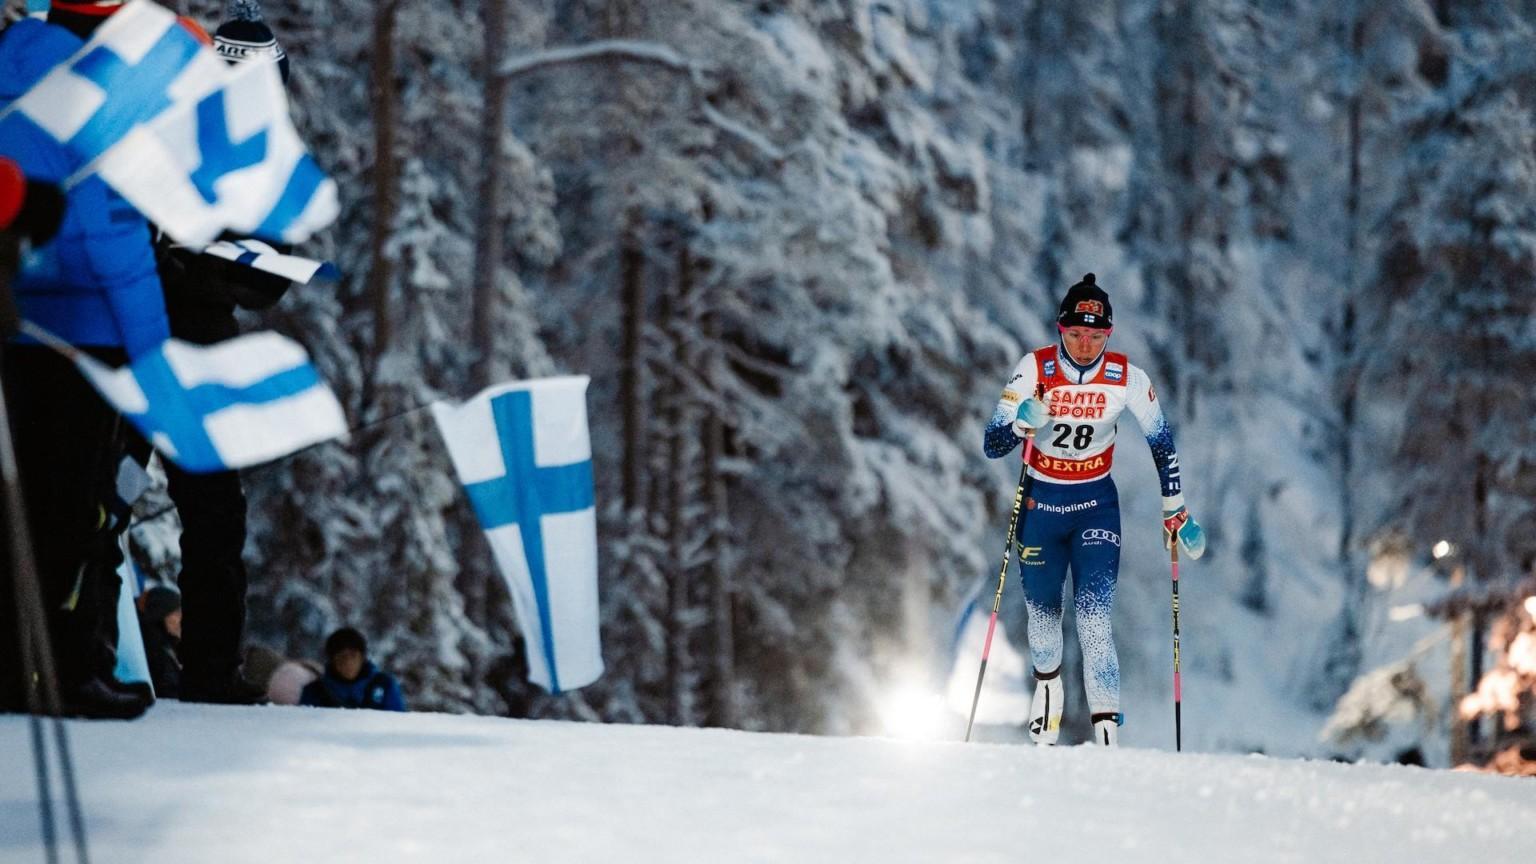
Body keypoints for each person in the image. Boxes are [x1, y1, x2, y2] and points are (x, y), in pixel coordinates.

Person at [114, 1, 294, 705]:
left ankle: (212, 674)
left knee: (216, 520)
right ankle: (84, 655)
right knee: (105, 501)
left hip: (203, 353)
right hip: (136, 339)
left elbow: (271, 277)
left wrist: (224, 269)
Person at [0, 1, 171, 719]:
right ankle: (64, 670)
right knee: (70, 507)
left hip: (30, 313)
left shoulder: (20, 59)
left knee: (43, 502)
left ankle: (33, 668)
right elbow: (99, 222)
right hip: (80, 320)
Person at [982, 273, 1206, 747]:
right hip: (1042, 503)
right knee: (1043, 619)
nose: (1085, 346)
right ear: (1060, 330)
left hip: (1094, 507)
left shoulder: (1127, 378)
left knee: (1093, 618)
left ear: (1110, 334)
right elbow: (992, 443)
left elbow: (1161, 442)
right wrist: (1021, 423)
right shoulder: (1034, 368)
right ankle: (1046, 716)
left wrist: (1175, 508)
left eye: (1096, 336)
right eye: (1075, 335)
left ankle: (1107, 737)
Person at [300, 628, 407, 712]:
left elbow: (397, 726)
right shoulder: (315, 691)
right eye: (342, 657)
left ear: (362, 658)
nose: (348, 662)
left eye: (353, 655)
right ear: (332, 660)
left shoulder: (384, 685)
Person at [137, 584, 183, 699]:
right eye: (177, 613)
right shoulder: (154, 650)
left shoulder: (168, 645)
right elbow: (169, 689)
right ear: (160, 614)